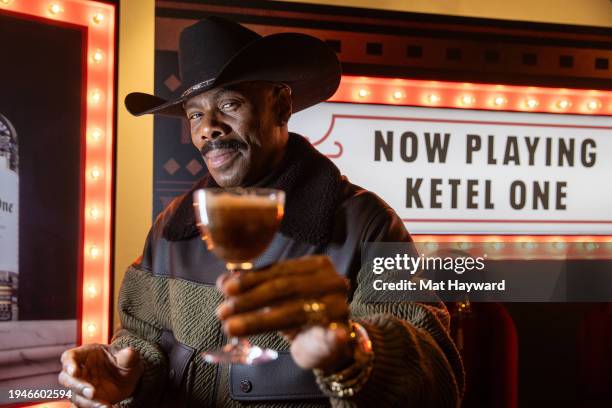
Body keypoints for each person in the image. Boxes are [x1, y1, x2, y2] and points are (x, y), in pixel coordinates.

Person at [58, 16, 464, 407]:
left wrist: (353, 353)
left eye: (229, 104)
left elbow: (434, 381)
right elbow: (143, 339)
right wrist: (128, 375)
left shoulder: (369, 223)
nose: (207, 129)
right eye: (195, 113)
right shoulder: (170, 225)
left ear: (281, 106)